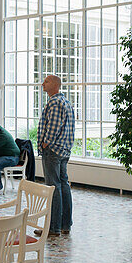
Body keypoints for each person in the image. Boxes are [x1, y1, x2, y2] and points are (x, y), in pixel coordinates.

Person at [37, 75, 74, 236]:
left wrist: (45, 143)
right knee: (63, 185)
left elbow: (53, 127)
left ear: (55, 85)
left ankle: (53, 228)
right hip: (64, 149)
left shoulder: (54, 102)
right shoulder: (66, 101)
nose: (43, 83)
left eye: (46, 81)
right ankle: (65, 225)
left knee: (53, 188)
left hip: (53, 150)